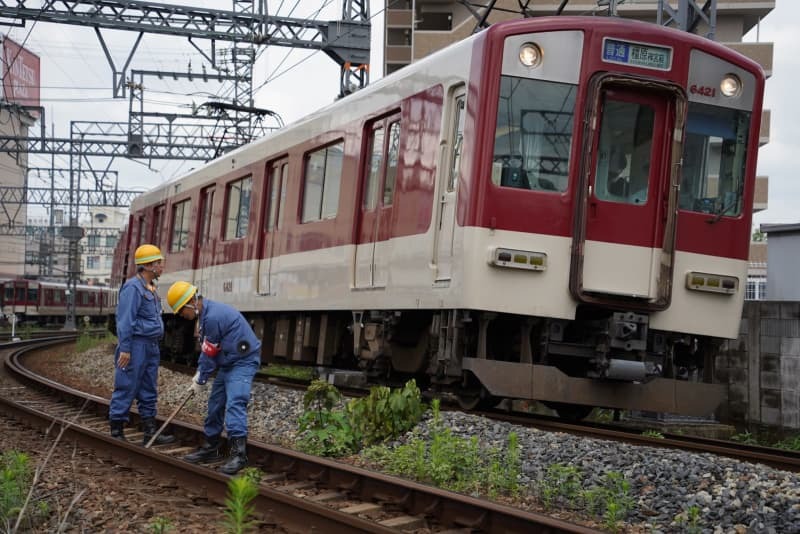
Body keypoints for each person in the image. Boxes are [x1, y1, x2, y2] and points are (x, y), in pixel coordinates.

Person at [166, 281, 261, 475]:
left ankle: (238, 455)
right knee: (215, 404)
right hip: (229, 361)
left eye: (182, 311)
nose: (182, 315)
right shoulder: (206, 316)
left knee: (235, 403)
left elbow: (209, 354)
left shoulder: (212, 317)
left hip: (243, 361)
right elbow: (208, 351)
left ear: (192, 302)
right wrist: (200, 375)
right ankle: (212, 448)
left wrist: (200, 379)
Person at [108, 244, 175, 445]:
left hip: (150, 345)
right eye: (159, 263)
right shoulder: (132, 288)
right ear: (149, 265)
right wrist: (126, 348)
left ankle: (150, 432)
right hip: (135, 346)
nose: (162, 267)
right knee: (126, 385)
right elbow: (125, 321)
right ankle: (117, 430)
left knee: (148, 388)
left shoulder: (150, 289)